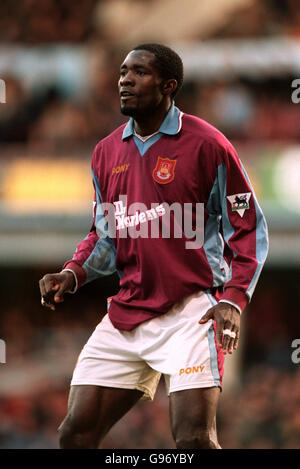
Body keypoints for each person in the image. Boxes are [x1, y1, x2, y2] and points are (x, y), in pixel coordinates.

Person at [39, 43, 268, 449]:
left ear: (169, 85)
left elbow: (247, 228)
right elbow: (106, 235)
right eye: (123, 71)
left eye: (139, 72)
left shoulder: (208, 145)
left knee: (194, 440)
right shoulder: (106, 152)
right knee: (75, 434)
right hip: (128, 310)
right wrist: (72, 272)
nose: (125, 79)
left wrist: (233, 298)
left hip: (193, 311)